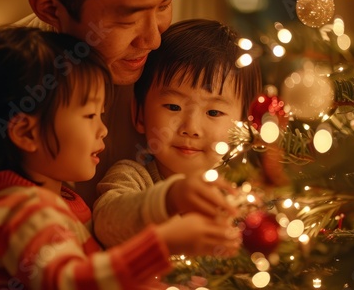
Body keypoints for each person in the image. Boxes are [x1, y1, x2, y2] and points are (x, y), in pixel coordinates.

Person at [0, 0, 237, 284]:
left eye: (165, 4)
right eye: (128, 20)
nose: (153, 39)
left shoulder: (165, 65)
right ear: (51, 8)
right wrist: (162, 244)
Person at [94, 19, 263, 248]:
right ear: (139, 114)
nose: (190, 128)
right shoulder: (133, 177)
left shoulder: (243, 194)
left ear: (243, 127)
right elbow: (107, 224)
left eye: (214, 112)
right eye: (173, 107)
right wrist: (169, 199)